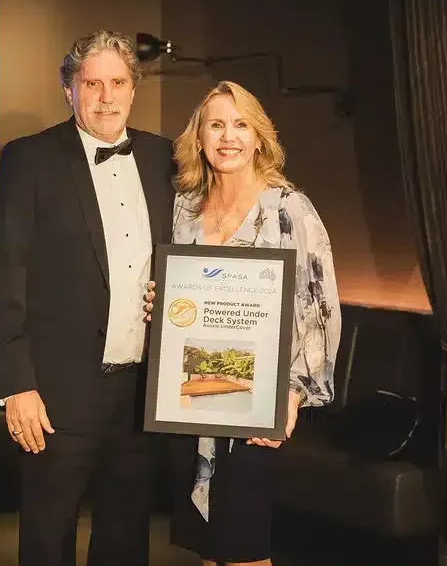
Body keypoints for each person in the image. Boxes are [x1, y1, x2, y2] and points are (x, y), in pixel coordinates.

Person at [0, 30, 176, 566]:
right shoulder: (28, 159)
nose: (106, 96)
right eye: (92, 83)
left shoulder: (165, 159)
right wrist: (16, 385)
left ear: (134, 90)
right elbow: (1, 280)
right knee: (48, 538)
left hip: (140, 392)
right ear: (70, 90)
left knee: (127, 538)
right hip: (57, 395)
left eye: (117, 82)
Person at [143, 81, 341, 566]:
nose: (227, 136)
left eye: (240, 124)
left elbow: (322, 311)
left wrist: (291, 397)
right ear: (199, 136)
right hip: (191, 402)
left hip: (258, 409)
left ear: (259, 137)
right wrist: (160, 302)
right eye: (216, 124)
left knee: (245, 551)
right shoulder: (185, 209)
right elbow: (181, 302)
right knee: (212, 550)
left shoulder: (289, 209)